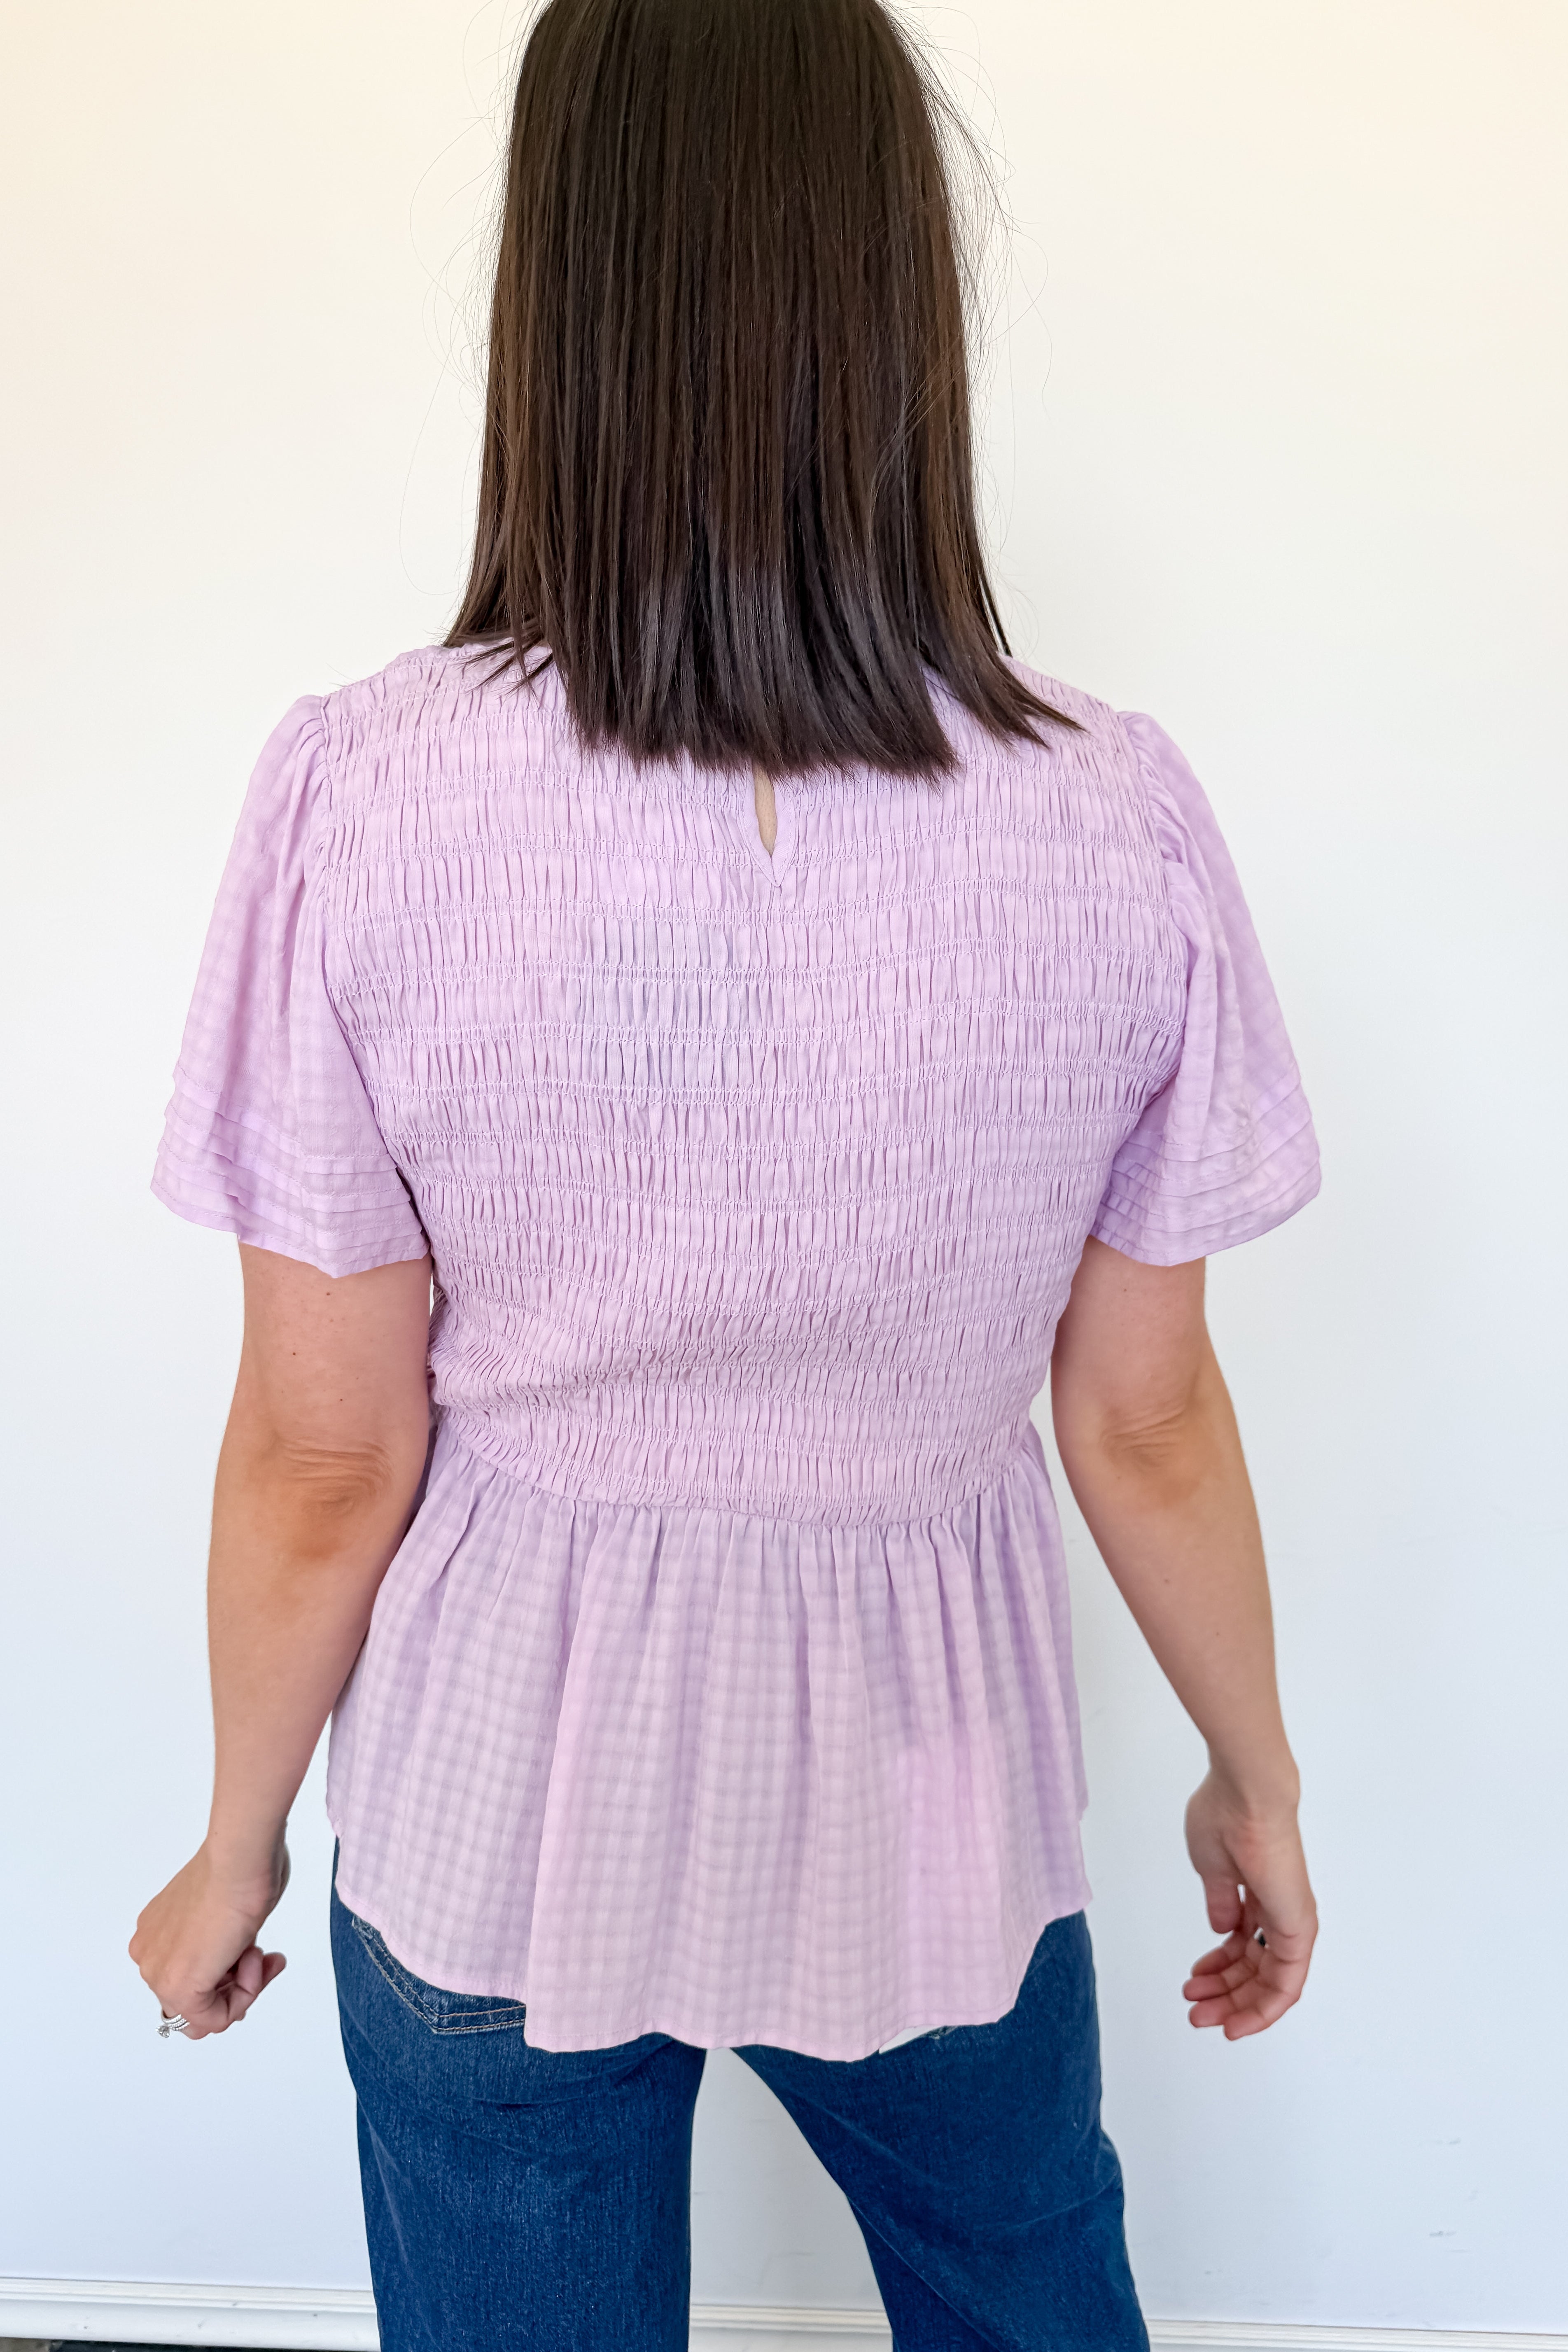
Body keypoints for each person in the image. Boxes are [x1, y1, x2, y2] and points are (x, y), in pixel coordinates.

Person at [130, 0, 1321, 2345]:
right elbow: (1147, 1416)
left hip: (493, 1803)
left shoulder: (365, 798)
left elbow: (323, 1453)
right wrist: (1253, 1773)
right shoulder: (1117, 817)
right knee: (1026, 2295)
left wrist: (235, 1838)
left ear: (556, 304)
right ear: (900, 311)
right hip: (936, 1804)